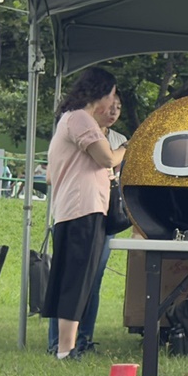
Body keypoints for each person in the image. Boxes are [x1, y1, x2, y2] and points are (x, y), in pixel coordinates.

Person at [43, 68, 124, 360]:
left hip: (77, 210)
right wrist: (125, 148)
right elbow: (106, 157)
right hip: (83, 210)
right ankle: (66, 349)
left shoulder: (70, 119)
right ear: (99, 93)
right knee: (76, 282)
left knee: (74, 279)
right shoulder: (80, 118)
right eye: (111, 95)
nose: (112, 103)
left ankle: (67, 346)